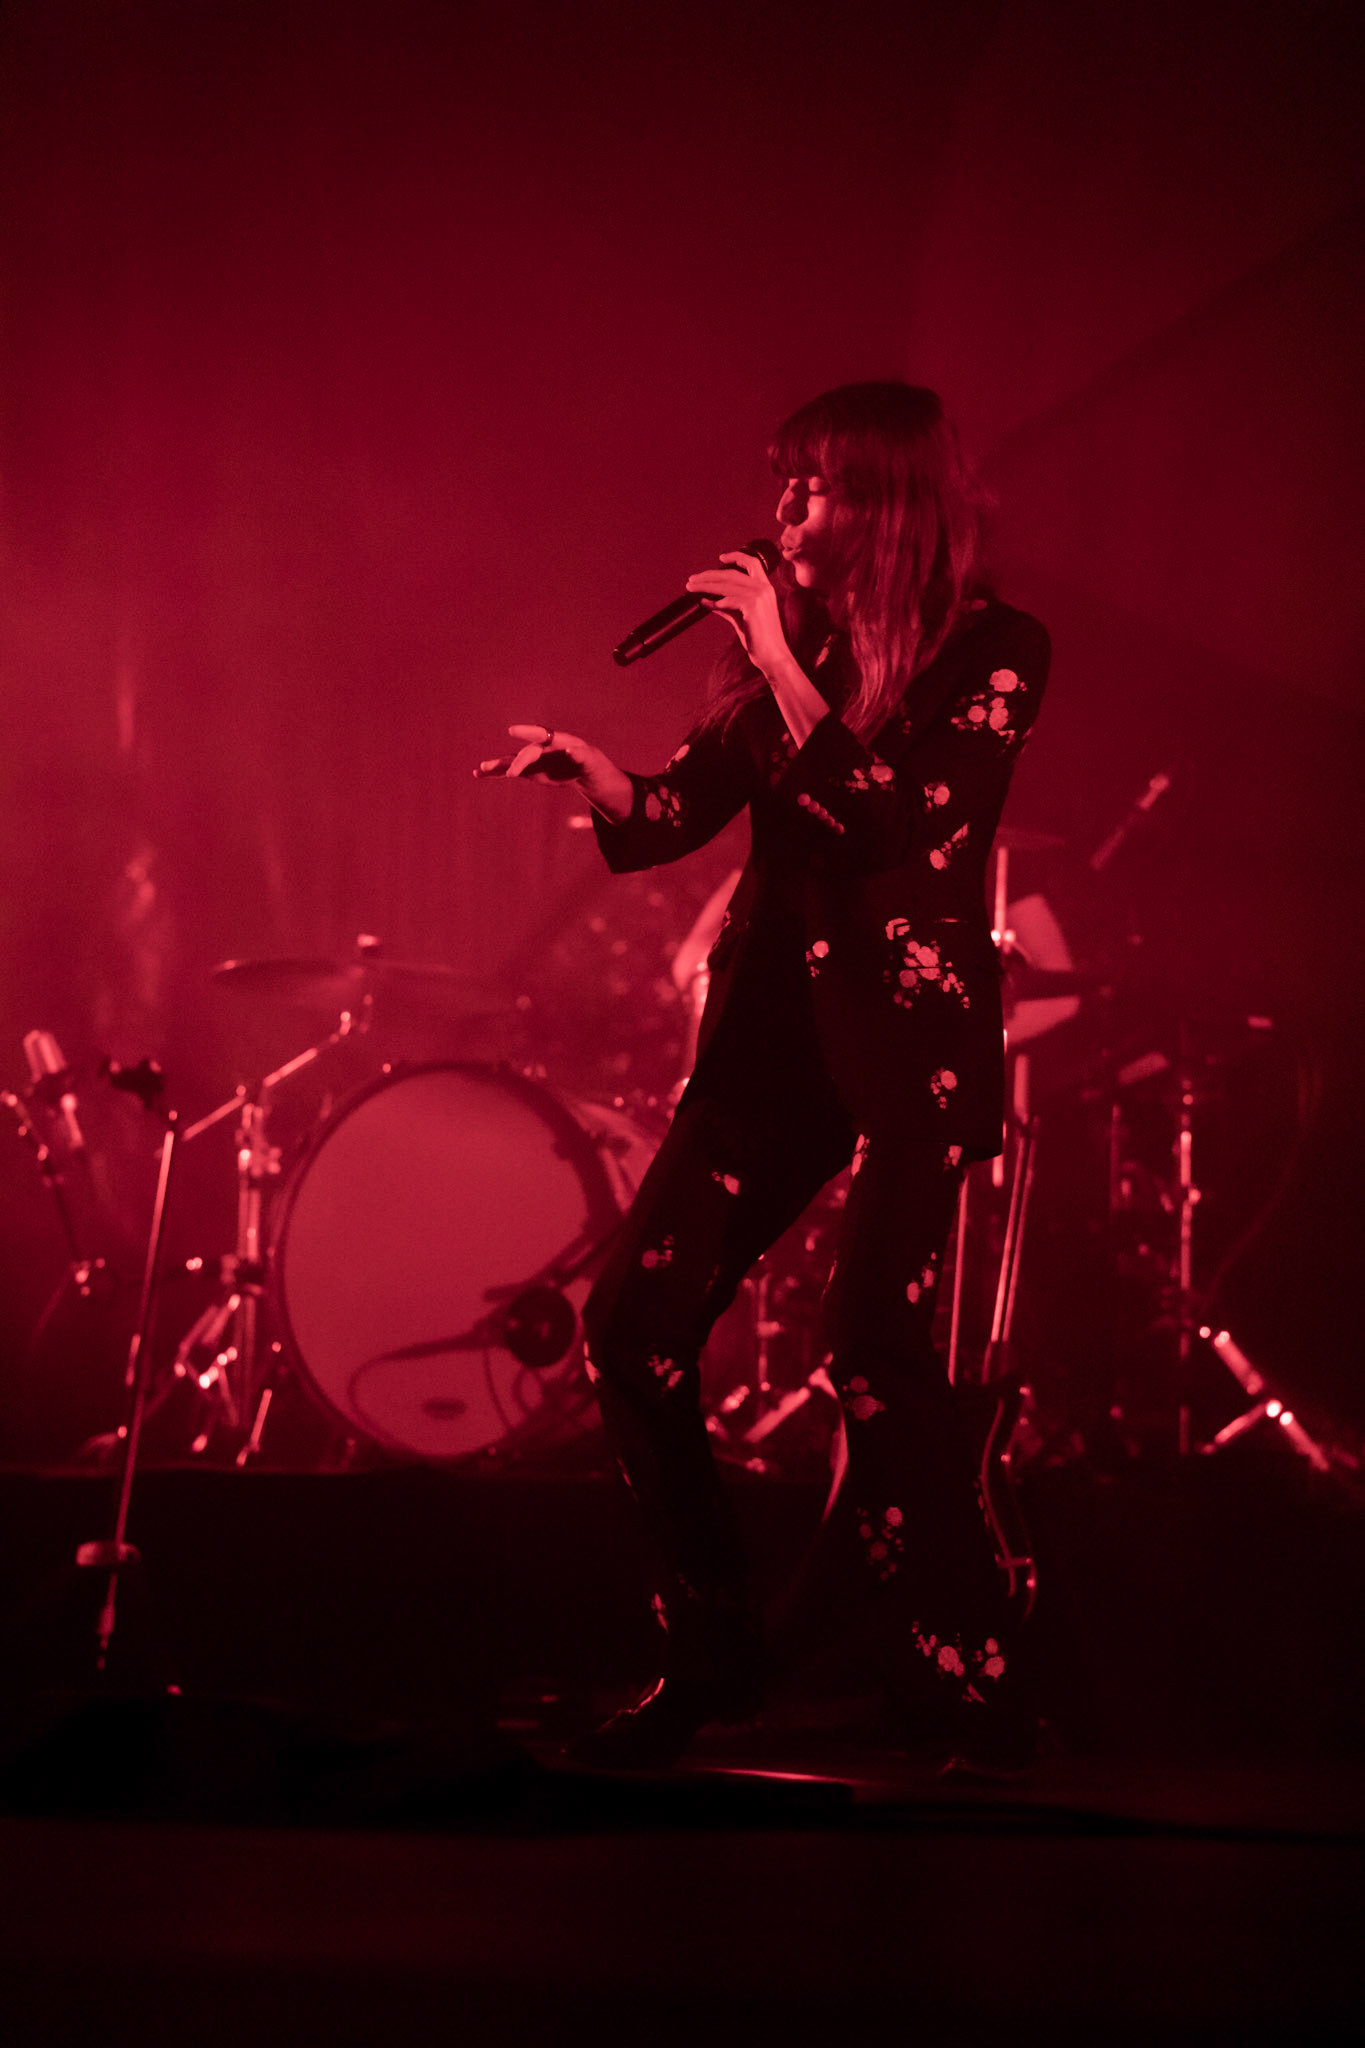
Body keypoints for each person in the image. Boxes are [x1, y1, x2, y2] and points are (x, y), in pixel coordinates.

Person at [478, 381, 1050, 1771]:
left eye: (816, 485)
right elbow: (684, 806)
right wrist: (600, 778)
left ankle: (956, 1669)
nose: (784, 509)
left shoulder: (993, 650)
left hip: (906, 1044)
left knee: (873, 1356)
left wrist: (787, 665)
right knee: (633, 1325)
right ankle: (713, 1643)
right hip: (770, 1046)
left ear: (886, 502)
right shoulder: (788, 653)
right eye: (782, 482)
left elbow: (890, 828)